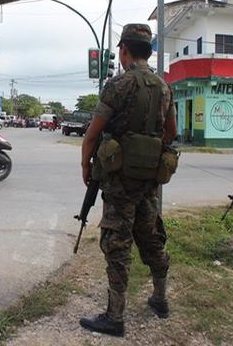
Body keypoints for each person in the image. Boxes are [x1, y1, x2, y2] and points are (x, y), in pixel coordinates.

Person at [79, 24, 177, 337]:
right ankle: (160, 299)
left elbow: (93, 133)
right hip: (149, 180)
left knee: (117, 244)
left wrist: (85, 164)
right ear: (148, 51)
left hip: (120, 181)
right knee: (151, 237)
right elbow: (171, 133)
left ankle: (115, 317)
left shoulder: (118, 85)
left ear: (124, 50)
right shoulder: (164, 87)